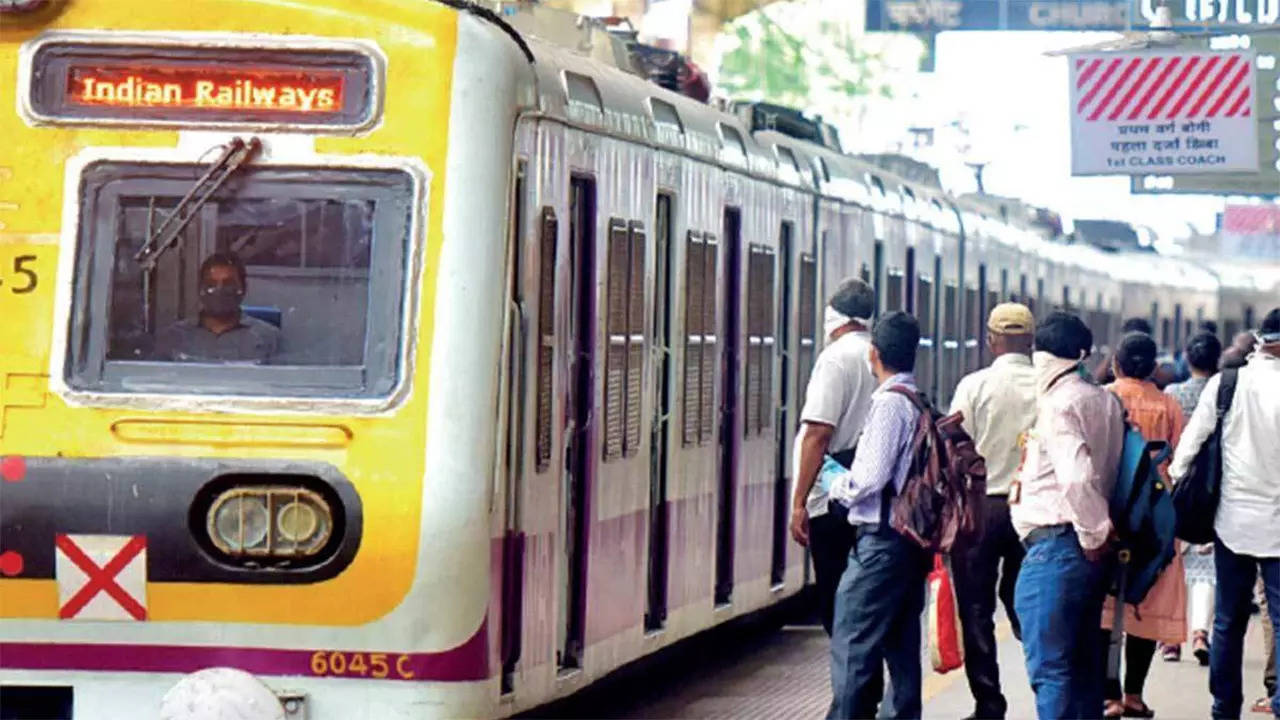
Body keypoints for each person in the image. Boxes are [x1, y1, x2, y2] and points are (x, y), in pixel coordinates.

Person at [1011, 311, 1126, 720]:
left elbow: (1077, 479)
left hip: (1058, 548)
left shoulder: (1060, 404)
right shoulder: (1106, 401)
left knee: (1051, 669)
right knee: (1083, 670)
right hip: (1086, 555)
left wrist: (1093, 535)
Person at [1169, 308, 1280, 720]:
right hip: (1277, 526)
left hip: (1231, 523)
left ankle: (1224, 708)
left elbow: (1189, 448)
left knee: (1228, 621)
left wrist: (1180, 494)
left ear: (1259, 339)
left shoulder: (1227, 383)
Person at [827, 312, 931, 720]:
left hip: (881, 544)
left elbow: (868, 479)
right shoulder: (917, 398)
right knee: (902, 646)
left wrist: (836, 485)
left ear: (874, 353)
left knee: (853, 643)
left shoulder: (890, 404)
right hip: (907, 544)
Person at [947, 302, 1038, 720]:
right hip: (1034, 510)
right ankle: (1046, 686)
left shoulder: (974, 385)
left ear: (991, 341)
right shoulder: (1047, 385)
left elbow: (953, 446)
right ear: (1032, 341)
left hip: (981, 508)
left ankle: (989, 703)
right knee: (1031, 603)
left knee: (976, 608)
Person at [1100, 333, 1188, 718]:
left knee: (1105, 603)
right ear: (1154, 367)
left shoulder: (1105, 398)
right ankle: (1134, 694)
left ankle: (1109, 694)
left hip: (1110, 510)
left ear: (1116, 362)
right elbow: (1181, 460)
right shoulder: (1168, 405)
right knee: (1146, 602)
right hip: (1154, 517)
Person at [790, 278, 878, 635]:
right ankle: (862, 683)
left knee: (835, 600)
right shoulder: (878, 353)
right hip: (871, 495)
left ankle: (849, 686)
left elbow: (817, 433)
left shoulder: (835, 359)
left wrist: (799, 502)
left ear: (833, 316)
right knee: (864, 601)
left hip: (832, 501)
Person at [1165, 331, 1224, 666]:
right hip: (1213, 486)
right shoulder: (1224, 393)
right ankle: (1201, 631)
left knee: (1173, 564)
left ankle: (1170, 639)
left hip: (1177, 485)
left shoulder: (1174, 394)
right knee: (1205, 566)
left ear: (1187, 358)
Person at [155, 252, 280, 364]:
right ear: (200, 289)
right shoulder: (173, 337)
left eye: (228, 284)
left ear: (243, 288)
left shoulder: (269, 338)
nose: (219, 290)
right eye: (211, 284)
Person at [1096, 317, 1154, 384]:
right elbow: (1097, 379)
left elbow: (1165, 380)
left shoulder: (1149, 355)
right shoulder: (1119, 355)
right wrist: (1112, 357)